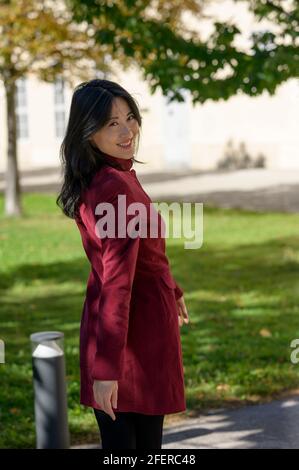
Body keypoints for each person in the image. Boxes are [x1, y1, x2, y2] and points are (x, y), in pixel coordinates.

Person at [56, 79, 189, 449]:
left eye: (130, 117)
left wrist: (171, 288)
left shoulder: (113, 175)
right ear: (87, 131)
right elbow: (116, 279)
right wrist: (107, 369)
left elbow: (143, 253)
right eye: (112, 123)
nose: (128, 130)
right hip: (130, 340)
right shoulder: (114, 185)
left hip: (131, 328)